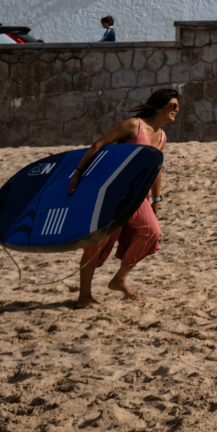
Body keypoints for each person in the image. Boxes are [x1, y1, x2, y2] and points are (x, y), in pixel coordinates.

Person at [68, 86, 179, 307]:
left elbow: (155, 169)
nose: (177, 110)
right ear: (159, 107)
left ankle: (119, 279)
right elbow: (99, 145)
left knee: (151, 233)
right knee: (98, 243)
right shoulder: (133, 125)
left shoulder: (162, 137)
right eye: (173, 106)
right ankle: (84, 297)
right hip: (115, 193)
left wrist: (156, 199)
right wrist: (78, 174)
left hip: (139, 196)